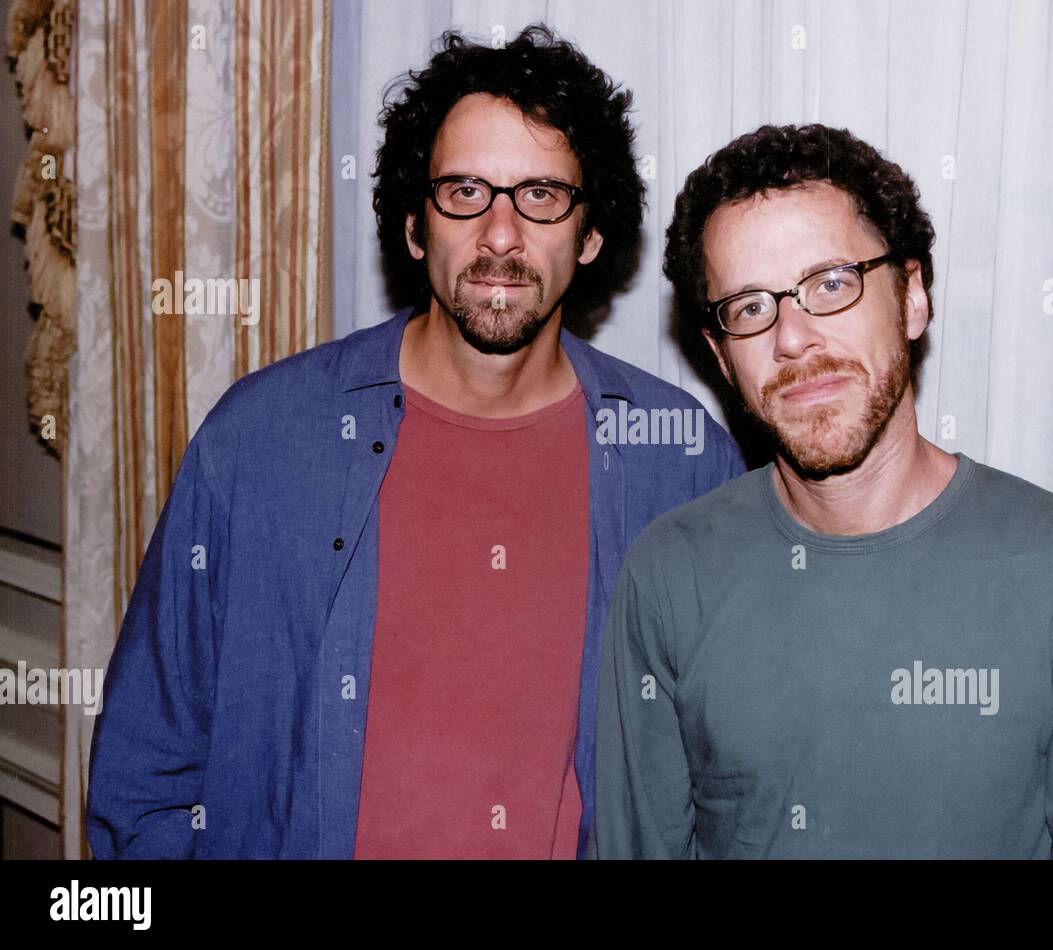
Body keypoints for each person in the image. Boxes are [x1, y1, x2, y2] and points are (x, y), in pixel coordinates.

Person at [87, 25, 744, 860]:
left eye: (541, 195)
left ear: (590, 235)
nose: (500, 235)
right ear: (412, 225)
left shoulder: (678, 461)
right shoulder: (259, 442)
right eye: (464, 192)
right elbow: (147, 772)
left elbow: (725, 783)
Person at [593, 123, 1053, 858]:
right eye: (749, 307)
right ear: (720, 354)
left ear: (914, 296)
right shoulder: (669, 575)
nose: (794, 338)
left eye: (830, 284)